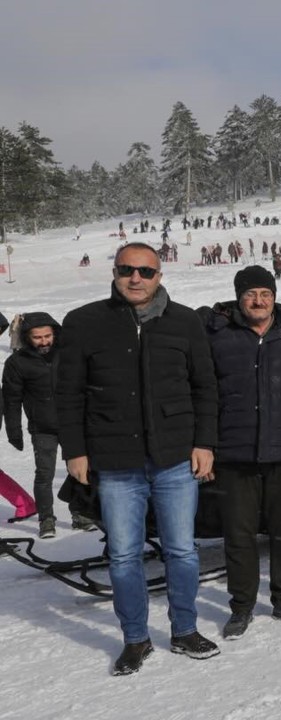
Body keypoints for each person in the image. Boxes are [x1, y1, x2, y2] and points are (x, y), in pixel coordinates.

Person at [57, 242, 220, 675]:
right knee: (125, 555)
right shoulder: (84, 322)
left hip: (174, 460)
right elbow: (68, 395)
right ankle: (135, 638)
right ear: (114, 273)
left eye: (146, 272)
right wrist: (74, 450)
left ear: (159, 276)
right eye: (127, 270)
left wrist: (204, 443)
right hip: (116, 461)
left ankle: (184, 631)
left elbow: (204, 388)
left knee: (182, 552)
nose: (136, 278)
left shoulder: (184, 322)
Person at [206, 266, 281, 639]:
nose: (258, 300)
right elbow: (204, 394)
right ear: (239, 297)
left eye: (265, 294)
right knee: (239, 535)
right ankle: (242, 606)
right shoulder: (217, 337)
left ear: (274, 296)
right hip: (234, 453)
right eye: (251, 294)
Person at [4, 312, 91, 538]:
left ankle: (80, 515)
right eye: (37, 337)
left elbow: (88, 386)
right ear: (27, 337)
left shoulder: (67, 355)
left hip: (73, 423)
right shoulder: (17, 362)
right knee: (45, 475)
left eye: (47, 336)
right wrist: (14, 432)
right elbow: (11, 399)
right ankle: (46, 520)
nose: (44, 341)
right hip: (43, 427)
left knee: (80, 471)